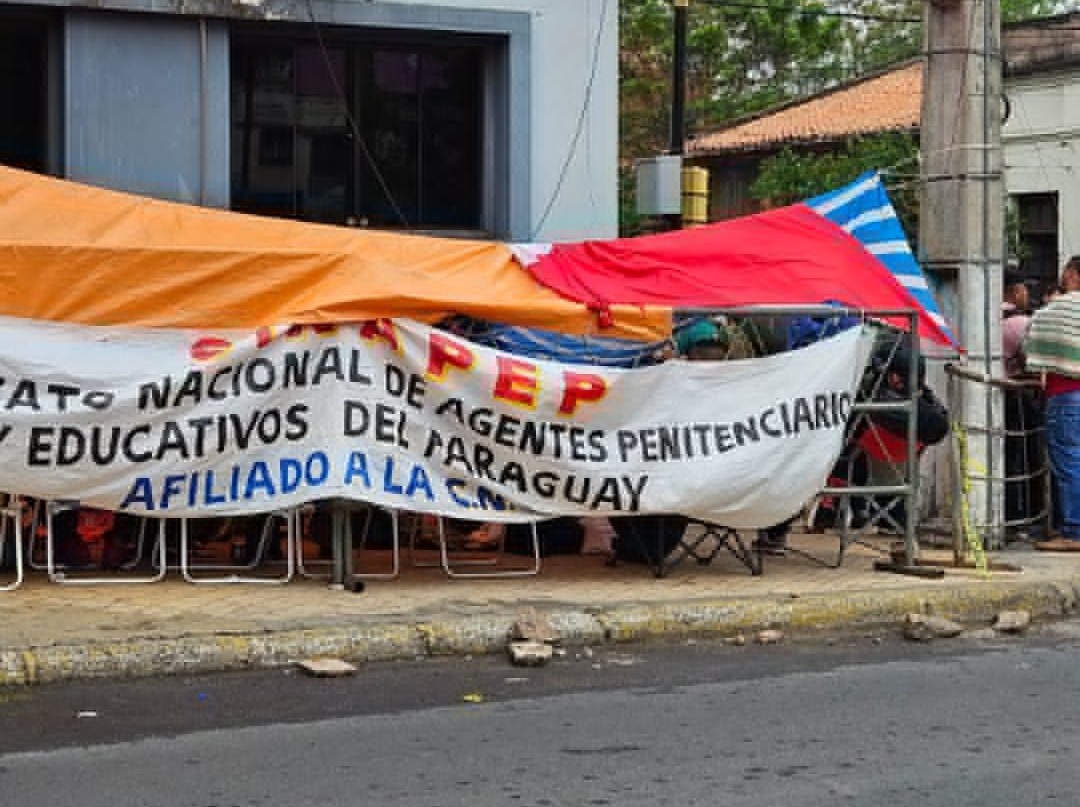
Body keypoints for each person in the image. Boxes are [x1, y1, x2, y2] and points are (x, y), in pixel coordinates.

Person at [1026, 258, 1080, 550]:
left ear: (1072, 274)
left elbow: (1030, 344)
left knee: (1069, 463)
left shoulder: (1057, 310)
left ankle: (1073, 532)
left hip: (1067, 395)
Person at [1001, 281, 1044, 532]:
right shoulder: (1022, 323)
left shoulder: (988, 319)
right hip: (1017, 395)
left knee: (1006, 455)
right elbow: (1035, 361)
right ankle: (1026, 515)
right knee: (1026, 455)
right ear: (1016, 291)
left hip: (992, 395)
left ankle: (1008, 515)